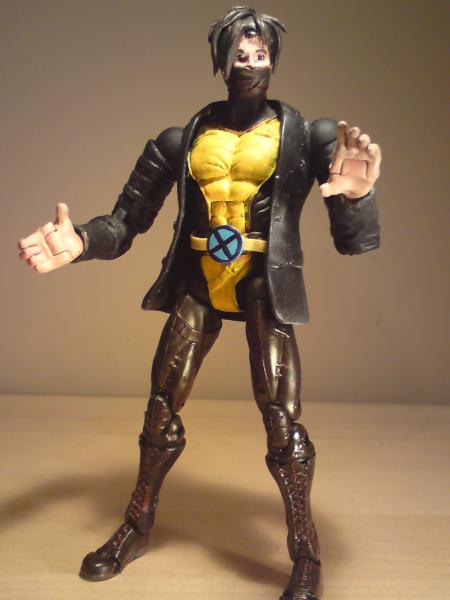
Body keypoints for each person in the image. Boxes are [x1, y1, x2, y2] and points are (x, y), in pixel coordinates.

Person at [18, 7, 381, 600]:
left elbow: (353, 239)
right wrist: (79, 242)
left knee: (282, 422)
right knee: (160, 406)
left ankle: (306, 554)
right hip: (200, 281)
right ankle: (136, 525)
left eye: (262, 50)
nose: (252, 58)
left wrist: (357, 197)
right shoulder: (180, 141)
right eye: (241, 49)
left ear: (274, 58)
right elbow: (125, 222)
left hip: (263, 283)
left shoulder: (306, 137)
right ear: (221, 60)